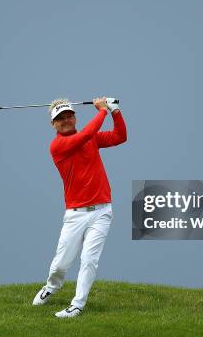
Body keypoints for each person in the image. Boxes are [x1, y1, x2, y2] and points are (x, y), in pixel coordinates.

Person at [32, 97, 127, 318]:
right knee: (60, 265)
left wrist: (115, 111)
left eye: (68, 115)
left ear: (75, 117)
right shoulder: (57, 146)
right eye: (60, 118)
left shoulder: (90, 138)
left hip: (102, 211)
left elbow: (120, 137)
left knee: (89, 260)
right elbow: (85, 135)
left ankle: (77, 304)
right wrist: (102, 111)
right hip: (75, 215)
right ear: (53, 124)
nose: (65, 120)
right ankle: (51, 287)